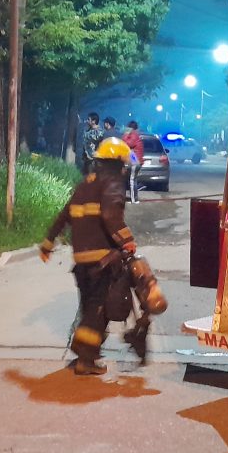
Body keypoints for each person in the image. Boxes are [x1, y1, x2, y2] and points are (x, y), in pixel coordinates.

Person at [38, 137, 137, 375]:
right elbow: (111, 217)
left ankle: (83, 346)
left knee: (89, 306)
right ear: (116, 163)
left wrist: (47, 244)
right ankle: (86, 359)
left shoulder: (85, 184)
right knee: (97, 309)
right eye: (123, 164)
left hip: (82, 261)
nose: (124, 168)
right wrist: (128, 241)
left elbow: (64, 215)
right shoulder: (112, 183)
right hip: (102, 260)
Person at [122, 121, 145, 203]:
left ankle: (134, 200)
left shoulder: (133, 134)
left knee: (132, 180)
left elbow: (127, 143)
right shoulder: (136, 134)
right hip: (136, 159)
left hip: (135, 160)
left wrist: (125, 135)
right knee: (133, 180)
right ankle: (134, 198)